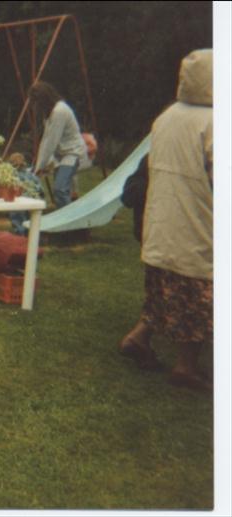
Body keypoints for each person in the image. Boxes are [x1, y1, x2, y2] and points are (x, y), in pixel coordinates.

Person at [118, 49, 213, 392]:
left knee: (162, 291)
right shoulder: (213, 123)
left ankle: (138, 338)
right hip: (195, 225)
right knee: (198, 299)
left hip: (159, 222)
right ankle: (186, 367)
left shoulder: (167, 116)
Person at [29, 81, 88, 209]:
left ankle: (68, 224)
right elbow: (45, 140)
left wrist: (40, 166)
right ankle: (69, 222)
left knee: (60, 189)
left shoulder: (59, 111)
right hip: (61, 154)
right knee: (64, 191)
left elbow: (51, 141)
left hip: (73, 153)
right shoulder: (50, 113)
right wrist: (39, 164)